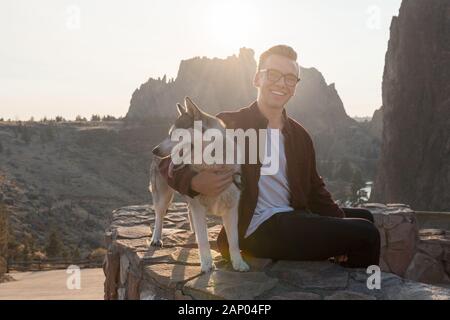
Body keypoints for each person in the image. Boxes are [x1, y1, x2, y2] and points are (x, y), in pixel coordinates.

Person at [159, 45, 380, 268]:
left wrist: (340, 228)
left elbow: (315, 190)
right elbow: (168, 163)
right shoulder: (230, 125)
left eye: (290, 78)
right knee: (367, 234)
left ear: (295, 87)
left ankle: (344, 277)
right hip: (256, 227)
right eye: (273, 75)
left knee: (364, 217)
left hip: (293, 215)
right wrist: (194, 181)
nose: (282, 83)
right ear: (257, 78)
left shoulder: (299, 135)